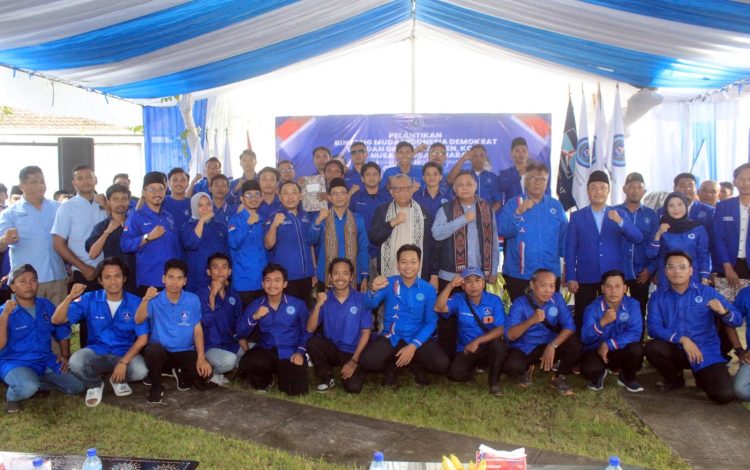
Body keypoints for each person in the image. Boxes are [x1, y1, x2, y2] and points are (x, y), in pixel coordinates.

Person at [645, 251, 740, 404]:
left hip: (705, 352)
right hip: (677, 350)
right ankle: (674, 378)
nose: (676, 271)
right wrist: (682, 339)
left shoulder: (707, 292)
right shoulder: (658, 296)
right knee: (653, 348)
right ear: (665, 271)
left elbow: (737, 320)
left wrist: (725, 312)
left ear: (691, 270)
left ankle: (701, 374)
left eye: (682, 267)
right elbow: (653, 328)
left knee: (724, 395)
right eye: (671, 267)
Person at [52, 258, 148, 407]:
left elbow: (142, 338)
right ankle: (95, 384)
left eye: (117, 276)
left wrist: (123, 362)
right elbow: (57, 320)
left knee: (140, 371)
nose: (113, 281)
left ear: (124, 278)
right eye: (107, 277)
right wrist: (70, 297)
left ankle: (117, 379)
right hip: (96, 351)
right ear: (100, 281)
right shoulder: (89, 299)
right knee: (76, 362)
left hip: (124, 352)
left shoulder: (136, 302)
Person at [359, 244, 449, 387]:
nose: (408, 266)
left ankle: (415, 364)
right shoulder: (389, 283)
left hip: (418, 338)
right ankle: (392, 366)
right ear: (398, 264)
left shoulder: (428, 289)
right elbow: (369, 304)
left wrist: (413, 346)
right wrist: (373, 289)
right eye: (404, 262)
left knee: (441, 364)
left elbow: (431, 322)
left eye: (413, 262)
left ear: (419, 264)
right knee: (366, 361)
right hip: (392, 337)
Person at [0, 264, 84, 413]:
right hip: (15, 362)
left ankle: (35, 383)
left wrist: (65, 355)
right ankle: (13, 395)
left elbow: (62, 328)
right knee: (27, 387)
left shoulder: (45, 305)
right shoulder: (4, 311)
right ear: (12, 287)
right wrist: (5, 315)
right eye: (23, 281)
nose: (29, 285)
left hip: (45, 360)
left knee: (76, 387)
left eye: (33, 280)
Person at [432, 170, 499, 356]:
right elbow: (436, 233)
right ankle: (447, 358)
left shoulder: (486, 208)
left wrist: (493, 269)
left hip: (477, 277)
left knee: (476, 319)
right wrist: (463, 219)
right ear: (454, 189)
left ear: (476, 185)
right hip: (451, 276)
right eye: (460, 185)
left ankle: (474, 357)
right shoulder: (446, 209)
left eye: (469, 184)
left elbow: (493, 240)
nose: (465, 188)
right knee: (448, 321)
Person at [565, 170, 643, 330]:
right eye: (593, 188)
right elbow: (570, 248)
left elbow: (638, 237)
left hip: (612, 278)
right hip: (586, 276)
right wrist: (571, 276)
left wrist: (620, 221)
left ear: (608, 191)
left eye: (602, 187)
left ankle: (610, 345)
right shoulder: (577, 216)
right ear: (587, 191)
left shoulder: (619, 214)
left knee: (613, 319)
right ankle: (584, 345)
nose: (598, 191)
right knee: (583, 317)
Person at [136, 259, 213, 404]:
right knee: (153, 350)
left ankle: (178, 371)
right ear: (163, 279)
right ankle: (156, 385)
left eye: (179, 278)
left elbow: (197, 331)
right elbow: (138, 319)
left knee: (205, 375)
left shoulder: (193, 299)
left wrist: (201, 357)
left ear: (185, 281)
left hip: (184, 351)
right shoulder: (154, 299)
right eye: (170, 277)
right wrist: (145, 299)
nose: (174, 282)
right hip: (161, 353)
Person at [504, 268, 581, 396]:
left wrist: (553, 345)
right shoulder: (520, 303)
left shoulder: (557, 299)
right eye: (543, 286)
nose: (548, 290)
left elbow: (570, 326)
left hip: (549, 342)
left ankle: (559, 377)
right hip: (526, 346)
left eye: (552, 286)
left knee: (575, 343)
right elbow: (510, 335)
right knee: (511, 368)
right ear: (532, 285)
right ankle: (529, 367)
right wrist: (530, 321)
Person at [236, 263, 310, 395]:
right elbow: (240, 332)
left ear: (285, 284)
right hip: (267, 349)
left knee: (296, 391)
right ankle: (266, 381)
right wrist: (254, 317)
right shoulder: (256, 304)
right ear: (263, 284)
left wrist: (300, 352)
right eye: (268, 280)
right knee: (248, 362)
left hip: (290, 351)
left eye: (277, 280)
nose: (272, 285)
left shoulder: (298, 304)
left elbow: (307, 331)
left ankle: (284, 373)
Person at [499, 162, 567, 301]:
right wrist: (518, 213)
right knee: (519, 313)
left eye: (542, 179)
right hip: (519, 275)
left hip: (549, 275)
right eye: (533, 178)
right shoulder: (513, 204)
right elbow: (503, 231)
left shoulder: (556, 206)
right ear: (525, 181)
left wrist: (568, 268)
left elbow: (564, 240)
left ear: (547, 183)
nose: (537, 182)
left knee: (550, 314)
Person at [0, 166, 67, 304]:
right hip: (27, 282)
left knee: (60, 316)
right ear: (22, 186)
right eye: (34, 182)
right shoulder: (10, 213)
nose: (40, 185)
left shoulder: (58, 208)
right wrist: (5, 239)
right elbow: (1, 246)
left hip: (57, 277)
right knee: (28, 317)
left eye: (42, 181)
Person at [435, 268, 507, 396]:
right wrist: (450, 285)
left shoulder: (494, 300)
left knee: (498, 346)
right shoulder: (458, 299)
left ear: (483, 283)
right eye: (468, 281)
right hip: (467, 348)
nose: (474, 285)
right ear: (462, 286)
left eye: (477, 280)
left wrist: (478, 341)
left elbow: (502, 329)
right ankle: (471, 372)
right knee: (454, 373)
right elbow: (439, 308)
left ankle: (494, 383)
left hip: (488, 347)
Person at [306, 258, 372, 393]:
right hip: (333, 349)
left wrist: (354, 360)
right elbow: (309, 329)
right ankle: (326, 376)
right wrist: (318, 305)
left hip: (353, 351)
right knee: (313, 342)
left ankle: (359, 368)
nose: (340, 278)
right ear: (330, 277)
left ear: (351, 277)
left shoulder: (361, 299)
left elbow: (366, 332)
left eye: (345, 273)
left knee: (353, 388)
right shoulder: (325, 298)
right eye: (336, 273)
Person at [580, 270, 644, 392]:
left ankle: (626, 378)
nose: (613, 291)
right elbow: (585, 338)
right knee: (589, 370)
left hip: (619, 349)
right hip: (597, 350)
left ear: (625, 288)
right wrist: (602, 323)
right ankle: (600, 373)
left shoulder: (633, 305)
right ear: (602, 288)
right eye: (609, 286)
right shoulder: (592, 308)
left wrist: (609, 344)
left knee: (636, 349)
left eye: (617, 286)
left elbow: (635, 332)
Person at [121, 172, 181, 296]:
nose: (157, 193)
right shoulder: (136, 217)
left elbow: (176, 247)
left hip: (172, 281)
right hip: (150, 281)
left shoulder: (168, 217)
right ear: (144, 192)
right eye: (152, 189)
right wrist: (147, 237)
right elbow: (125, 245)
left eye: (161, 189)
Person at [370, 174, 437, 284]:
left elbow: (432, 246)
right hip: (390, 270)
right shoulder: (382, 211)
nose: (402, 192)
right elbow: (374, 238)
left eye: (406, 188)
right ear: (391, 192)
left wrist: (434, 274)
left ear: (412, 190)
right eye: (398, 189)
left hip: (417, 271)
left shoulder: (423, 213)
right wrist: (392, 223)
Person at [51, 165, 108, 293]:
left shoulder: (105, 203)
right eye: (80, 178)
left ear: (95, 179)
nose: (85, 181)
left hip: (109, 271)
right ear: (74, 183)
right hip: (83, 272)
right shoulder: (67, 208)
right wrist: (83, 267)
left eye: (89, 177)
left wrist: (106, 206)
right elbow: (58, 244)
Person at [308, 178, 369, 291]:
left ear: (347, 195)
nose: (339, 196)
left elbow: (363, 248)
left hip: (353, 275)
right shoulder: (321, 218)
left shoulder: (358, 219)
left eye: (342, 193)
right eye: (335, 193)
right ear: (329, 197)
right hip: (326, 274)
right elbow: (311, 240)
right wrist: (318, 221)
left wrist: (365, 275)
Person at [615, 172, 657, 328]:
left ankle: (637, 342)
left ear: (644, 191)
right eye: (631, 187)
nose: (635, 190)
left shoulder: (651, 215)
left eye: (639, 187)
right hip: (617, 272)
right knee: (614, 312)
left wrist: (650, 270)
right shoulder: (613, 212)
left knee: (638, 313)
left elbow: (656, 244)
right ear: (624, 189)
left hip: (641, 274)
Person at [264, 181, 316, 307]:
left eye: (294, 193)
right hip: (285, 278)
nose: (290, 197)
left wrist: (314, 270)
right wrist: (274, 225)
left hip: (307, 276)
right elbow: (268, 245)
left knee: (306, 311)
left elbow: (311, 245)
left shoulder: (306, 216)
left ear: (300, 196)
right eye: (286, 193)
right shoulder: (274, 216)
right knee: (288, 313)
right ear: (280, 197)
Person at [198, 253, 246, 385]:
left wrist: (247, 352)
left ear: (229, 272)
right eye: (215, 267)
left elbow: (239, 325)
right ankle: (208, 372)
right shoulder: (200, 294)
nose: (220, 271)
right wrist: (212, 296)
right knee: (230, 360)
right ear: (208, 272)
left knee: (254, 351)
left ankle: (234, 368)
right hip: (209, 347)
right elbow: (206, 321)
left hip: (230, 343)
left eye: (224, 267)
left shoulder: (233, 295)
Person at [646, 192, 710, 287]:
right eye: (671, 205)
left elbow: (703, 255)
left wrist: (704, 276)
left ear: (685, 206)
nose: (676, 208)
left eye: (680, 204)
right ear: (666, 208)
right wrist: (658, 234)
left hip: (692, 278)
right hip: (667, 279)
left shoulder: (697, 228)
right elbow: (651, 254)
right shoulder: (661, 228)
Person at [86, 184, 137, 294]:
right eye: (115, 199)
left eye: (124, 199)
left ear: (129, 201)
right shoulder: (102, 226)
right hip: (113, 280)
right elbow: (92, 254)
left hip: (136, 279)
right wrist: (107, 232)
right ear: (108, 202)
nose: (120, 203)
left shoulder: (136, 224)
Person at [349, 162, 392, 278]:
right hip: (361, 250)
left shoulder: (388, 197)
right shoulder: (356, 198)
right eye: (368, 174)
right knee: (364, 285)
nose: (372, 177)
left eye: (375, 174)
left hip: (383, 250)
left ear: (380, 177)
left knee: (383, 285)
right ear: (362, 178)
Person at [228, 180, 267, 306]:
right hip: (243, 281)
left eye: (257, 195)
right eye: (249, 195)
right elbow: (233, 243)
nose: (253, 198)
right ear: (242, 198)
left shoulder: (263, 219)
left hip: (263, 280)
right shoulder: (235, 219)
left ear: (261, 198)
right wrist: (248, 224)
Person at [181, 192, 229, 293]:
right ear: (194, 207)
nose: (205, 208)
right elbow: (192, 243)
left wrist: (227, 277)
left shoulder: (220, 227)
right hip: (195, 279)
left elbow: (226, 254)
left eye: (208, 204)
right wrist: (202, 220)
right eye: (200, 205)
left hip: (217, 278)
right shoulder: (187, 226)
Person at [713, 163, 750, 288]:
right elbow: (718, 238)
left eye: (749, 179)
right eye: (742, 179)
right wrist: (727, 266)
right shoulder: (723, 206)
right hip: (727, 265)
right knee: (725, 300)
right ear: (735, 182)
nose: (746, 183)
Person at [447, 145, 501, 212]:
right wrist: (462, 159)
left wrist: (488, 214)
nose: (478, 158)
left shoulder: (492, 177)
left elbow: (498, 201)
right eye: (475, 155)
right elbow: (450, 180)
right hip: (464, 214)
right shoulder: (463, 175)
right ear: (470, 158)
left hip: (486, 215)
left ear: (485, 158)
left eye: (481, 155)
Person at [497, 137, 529, 203]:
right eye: (517, 151)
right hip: (512, 209)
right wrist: (518, 174)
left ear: (528, 154)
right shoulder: (504, 174)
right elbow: (501, 186)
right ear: (511, 154)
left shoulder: (535, 173)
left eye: (524, 151)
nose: (521, 154)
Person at [162, 167, 192, 236]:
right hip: (167, 241)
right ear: (168, 183)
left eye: (183, 180)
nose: (179, 183)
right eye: (175, 180)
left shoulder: (192, 204)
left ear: (187, 184)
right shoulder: (161, 202)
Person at [300, 146, 330, 213]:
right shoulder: (309, 181)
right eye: (318, 157)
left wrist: (329, 197)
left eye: (324, 156)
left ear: (330, 158)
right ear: (313, 160)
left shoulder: (337, 177)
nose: (321, 160)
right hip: (316, 216)